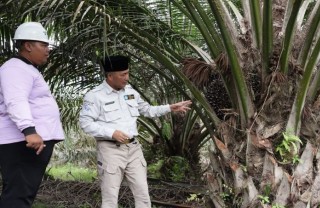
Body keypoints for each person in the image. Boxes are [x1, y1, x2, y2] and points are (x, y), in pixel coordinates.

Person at [79, 55, 192, 208]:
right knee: (110, 199)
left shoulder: (130, 92)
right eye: (123, 74)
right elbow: (85, 123)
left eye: (128, 73)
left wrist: (170, 108)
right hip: (110, 151)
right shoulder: (95, 96)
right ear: (110, 76)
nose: (127, 78)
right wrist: (112, 132)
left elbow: (147, 110)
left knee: (143, 196)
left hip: (133, 150)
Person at [0, 22, 65, 207]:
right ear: (28, 46)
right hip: (22, 142)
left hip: (26, 141)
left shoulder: (26, 68)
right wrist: (29, 131)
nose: (48, 50)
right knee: (18, 196)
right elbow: (15, 100)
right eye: (43, 45)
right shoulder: (15, 68)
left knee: (22, 194)